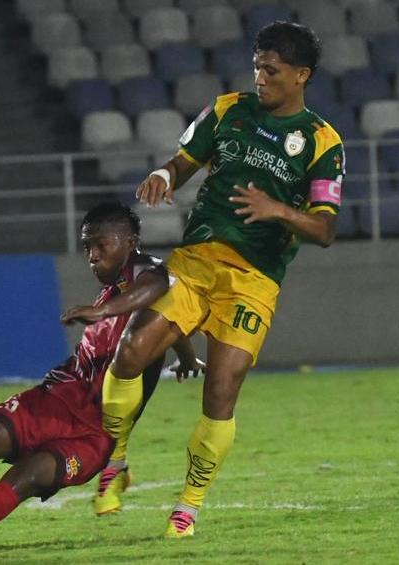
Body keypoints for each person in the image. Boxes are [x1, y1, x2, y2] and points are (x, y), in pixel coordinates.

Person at [98, 21, 344, 538]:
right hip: (195, 262)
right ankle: (115, 461)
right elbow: (185, 160)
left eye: (271, 70)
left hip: (255, 279)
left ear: (301, 76)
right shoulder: (228, 108)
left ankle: (189, 504)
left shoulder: (323, 143)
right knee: (130, 352)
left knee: (221, 388)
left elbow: (324, 228)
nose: (260, 77)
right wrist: (165, 175)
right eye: (257, 66)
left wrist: (276, 209)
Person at [0, 202, 201, 546]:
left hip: (94, 434)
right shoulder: (117, 292)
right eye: (87, 247)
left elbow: (158, 285)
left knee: (28, 477)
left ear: (129, 241)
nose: (92, 255)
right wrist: (186, 358)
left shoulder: (148, 272)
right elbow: (175, 328)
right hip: (56, 400)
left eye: (101, 244)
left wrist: (102, 311)